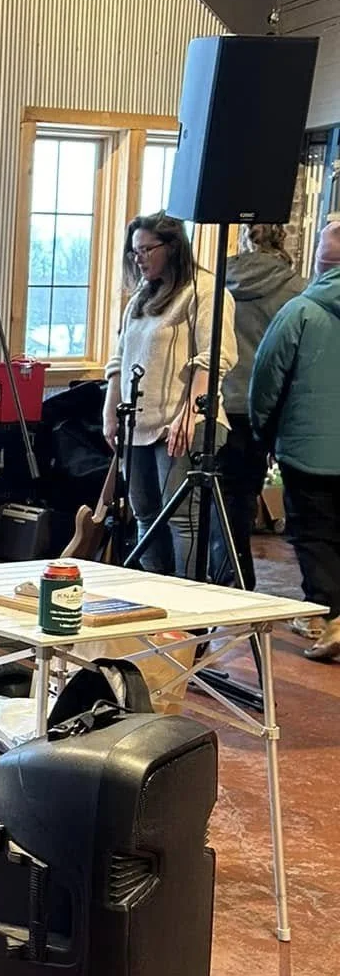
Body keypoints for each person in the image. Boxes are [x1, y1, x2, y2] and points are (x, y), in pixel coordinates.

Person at [104, 212, 236, 581]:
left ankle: (186, 609)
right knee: (144, 513)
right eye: (134, 252)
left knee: (180, 518)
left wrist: (190, 413)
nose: (139, 258)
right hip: (139, 425)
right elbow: (119, 358)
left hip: (180, 424)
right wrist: (110, 412)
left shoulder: (206, 292)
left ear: (173, 247)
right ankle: (154, 594)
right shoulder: (141, 299)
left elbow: (214, 357)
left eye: (147, 249)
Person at [249, 219, 340, 662]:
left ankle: (332, 616)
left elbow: (267, 379)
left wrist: (262, 429)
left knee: (314, 534)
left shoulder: (301, 310)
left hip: (309, 449)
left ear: (323, 261)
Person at [219, 224, 301, 590]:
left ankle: (225, 574)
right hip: (260, 405)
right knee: (243, 494)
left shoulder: (220, 280)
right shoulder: (295, 290)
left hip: (217, 402)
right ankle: (239, 577)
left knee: (215, 498)